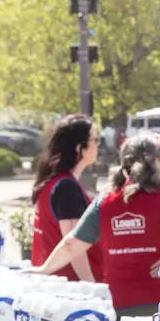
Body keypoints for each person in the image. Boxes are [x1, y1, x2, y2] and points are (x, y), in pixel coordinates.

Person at [29, 132, 160, 316]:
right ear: (158, 161)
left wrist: (44, 269)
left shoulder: (105, 202)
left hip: (117, 305)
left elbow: (72, 245)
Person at [30, 114, 103, 282]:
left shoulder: (53, 183)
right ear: (80, 148)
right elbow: (73, 246)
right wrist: (90, 285)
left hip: (56, 283)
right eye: (95, 140)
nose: (98, 145)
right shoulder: (66, 188)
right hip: (71, 286)